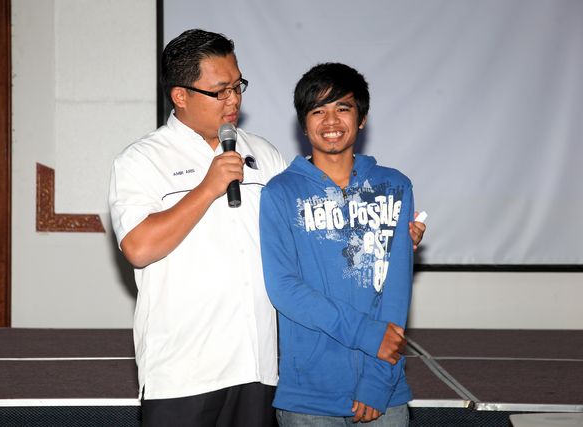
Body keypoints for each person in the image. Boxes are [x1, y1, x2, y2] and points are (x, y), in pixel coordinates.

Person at [109, 29, 425, 426]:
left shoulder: (263, 154)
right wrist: (207, 188)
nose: (234, 100)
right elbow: (139, 248)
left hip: (257, 367)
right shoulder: (142, 160)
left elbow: (314, 228)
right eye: (220, 91)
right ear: (180, 96)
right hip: (183, 371)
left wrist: (387, 236)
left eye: (237, 86)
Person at [259, 63, 418, 426]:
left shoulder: (394, 187)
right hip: (309, 396)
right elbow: (284, 288)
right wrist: (366, 334)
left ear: (362, 118)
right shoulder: (280, 193)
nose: (331, 121)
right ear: (303, 124)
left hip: (383, 392)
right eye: (318, 111)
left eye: (342, 108)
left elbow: (395, 290)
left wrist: (378, 381)